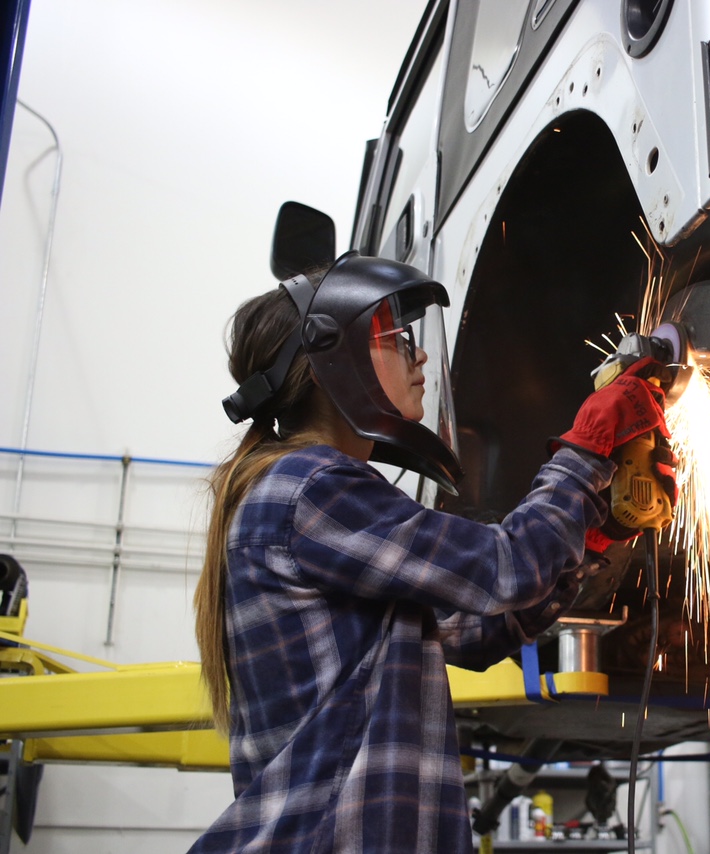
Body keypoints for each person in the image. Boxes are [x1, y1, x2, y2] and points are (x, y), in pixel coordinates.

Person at [189, 251, 669, 853]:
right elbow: (506, 568)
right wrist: (586, 449)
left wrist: (597, 527)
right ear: (329, 360)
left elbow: (477, 631)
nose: (419, 356)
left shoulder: (315, 496)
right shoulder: (307, 488)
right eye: (394, 338)